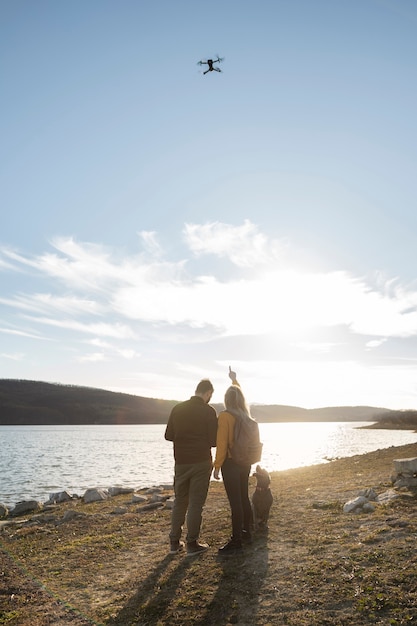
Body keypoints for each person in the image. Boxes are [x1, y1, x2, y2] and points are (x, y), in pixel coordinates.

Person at [165, 378, 218, 556]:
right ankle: (192, 543)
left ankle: (174, 542)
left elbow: (168, 435)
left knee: (180, 501)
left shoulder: (177, 408)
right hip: (201, 461)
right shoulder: (208, 411)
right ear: (208, 393)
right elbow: (213, 441)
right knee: (196, 503)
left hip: (181, 462)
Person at [213, 367, 255, 554]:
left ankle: (236, 539)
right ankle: (247, 532)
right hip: (245, 460)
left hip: (231, 463)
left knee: (235, 502)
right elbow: (239, 395)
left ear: (226, 400)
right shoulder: (245, 415)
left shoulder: (225, 416)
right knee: (244, 497)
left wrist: (216, 466)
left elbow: (221, 444)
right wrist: (234, 381)